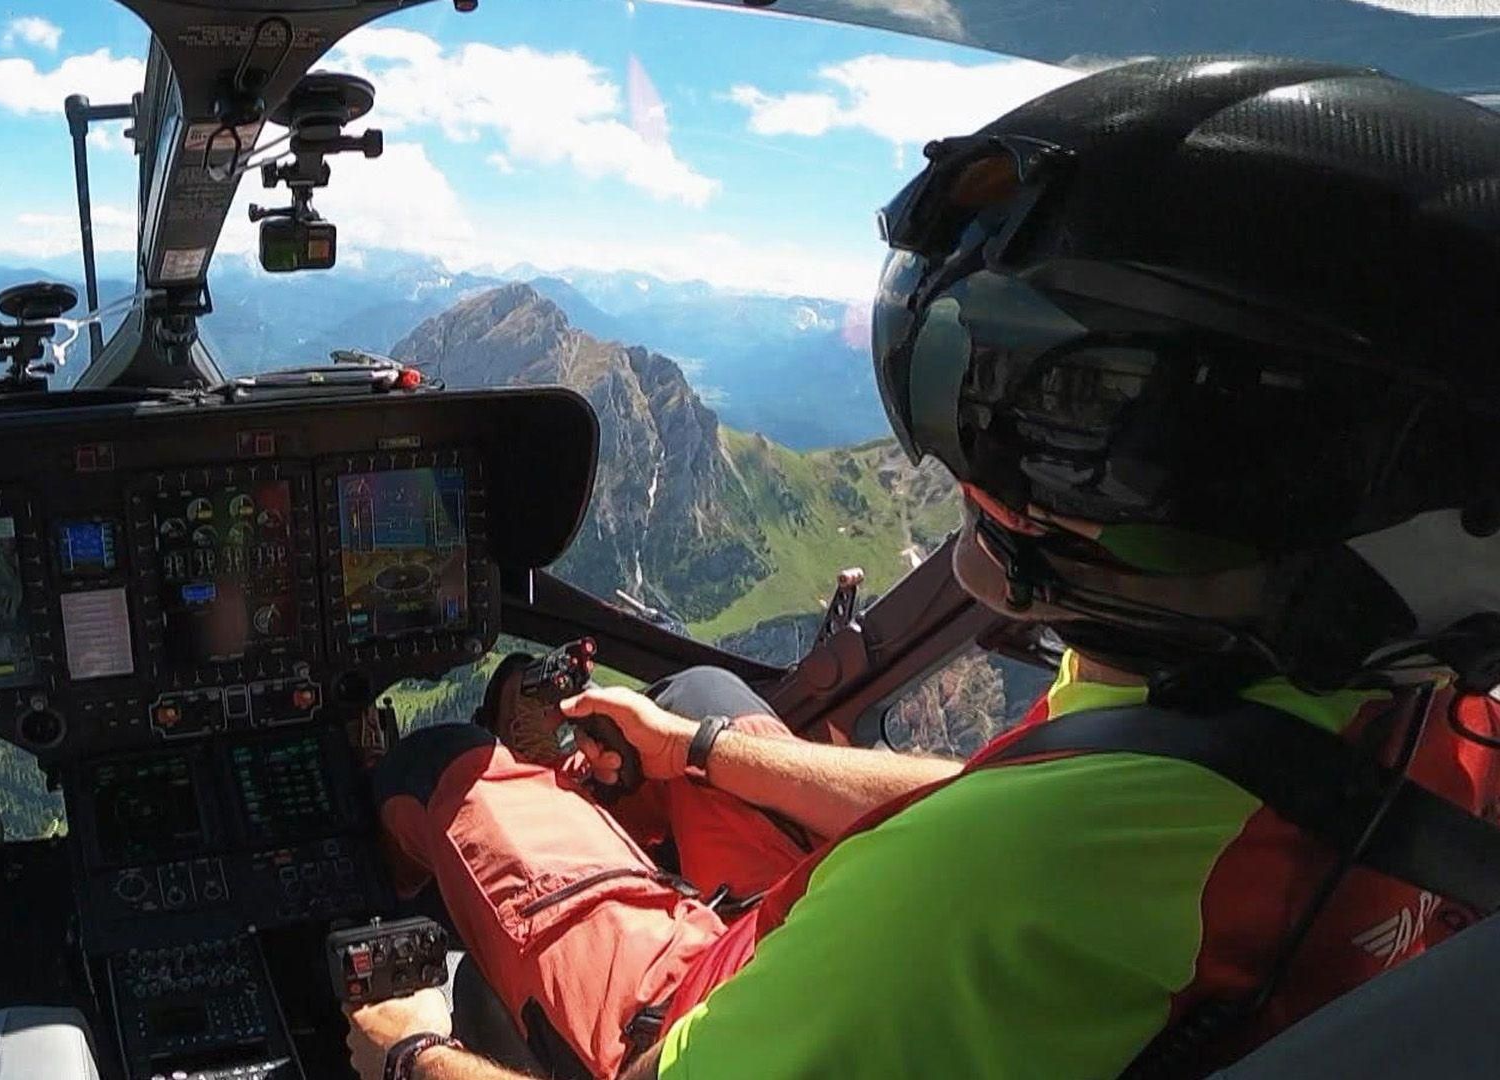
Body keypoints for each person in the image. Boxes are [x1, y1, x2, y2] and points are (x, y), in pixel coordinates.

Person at [344, 55, 1500, 1079]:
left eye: (1050, 423)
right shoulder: (1427, 725)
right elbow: (1031, 801)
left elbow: (998, 851)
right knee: (694, 705)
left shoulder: (995, 890)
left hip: (712, 1026)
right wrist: (707, 751)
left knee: (448, 760)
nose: (974, 473)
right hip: (936, 963)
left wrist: (407, 1050)